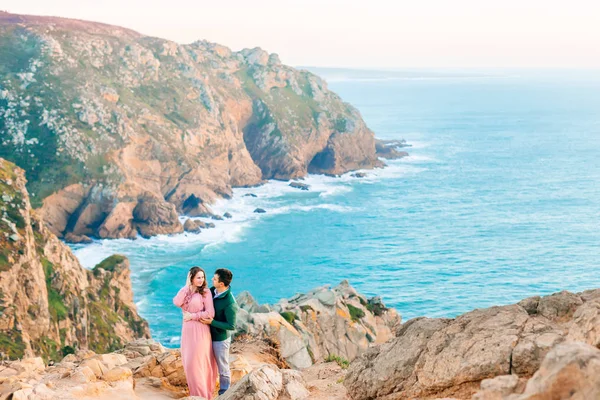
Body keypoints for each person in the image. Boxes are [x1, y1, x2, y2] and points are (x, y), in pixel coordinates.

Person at [173, 266, 217, 399]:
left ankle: (203, 396)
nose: (201, 280)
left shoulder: (206, 292)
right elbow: (176, 302)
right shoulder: (185, 290)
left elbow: (210, 313)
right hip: (187, 332)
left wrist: (192, 316)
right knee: (189, 364)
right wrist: (187, 287)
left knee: (197, 364)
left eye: (202, 277)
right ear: (191, 278)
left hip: (201, 330)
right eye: (198, 277)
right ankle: (195, 395)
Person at [198, 268, 238, 395]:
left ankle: (224, 393)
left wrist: (212, 322)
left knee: (223, 367)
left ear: (221, 284)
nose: (211, 280)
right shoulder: (212, 291)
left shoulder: (230, 303)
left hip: (220, 340)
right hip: (207, 335)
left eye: (214, 279)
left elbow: (231, 326)